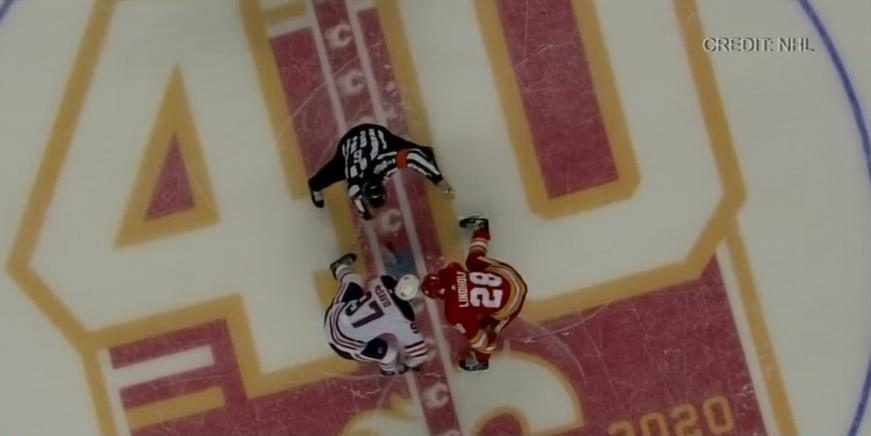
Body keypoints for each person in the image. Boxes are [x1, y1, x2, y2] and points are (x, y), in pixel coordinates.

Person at [421, 215, 527, 371]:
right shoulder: (452, 271)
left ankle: (482, 361)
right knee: (473, 261)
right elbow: (454, 276)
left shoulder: (453, 313)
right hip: (509, 277)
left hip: (512, 304)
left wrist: (480, 347)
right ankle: (481, 230)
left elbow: (475, 336)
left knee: (489, 330)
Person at [308, 123, 454, 220]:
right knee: (319, 180)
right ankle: (314, 186)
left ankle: (428, 159)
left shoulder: (383, 165)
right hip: (350, 146)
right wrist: (364, 213)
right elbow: (356, 199)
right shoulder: (355, 186)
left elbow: (413, 157)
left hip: (375, 136)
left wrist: (440, 181)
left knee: (424, 153)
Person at [323, 252, 429, 375]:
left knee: (354, 281)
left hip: (334, 318)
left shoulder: (382, 282)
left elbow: (375, 284)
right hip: (343, 344)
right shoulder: (402, 319)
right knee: (390, 353)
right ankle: (388, 371)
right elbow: (420, 353)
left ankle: (340, 267)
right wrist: (409, 364)